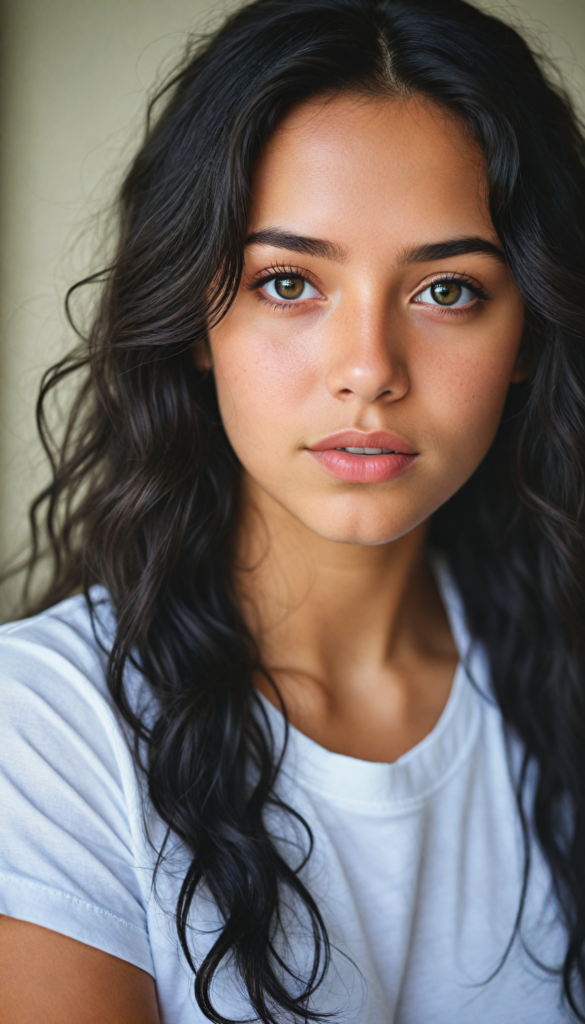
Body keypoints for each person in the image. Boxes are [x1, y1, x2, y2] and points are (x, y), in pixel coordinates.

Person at [1, 0, 584, 1020]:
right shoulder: (43, 733)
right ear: (192, 314)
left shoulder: (562, 682)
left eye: (447, 290)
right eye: (288, 282)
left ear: (530, 332)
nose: (369, 370)